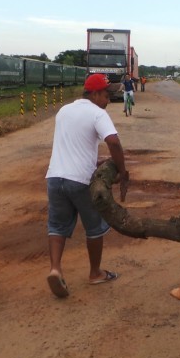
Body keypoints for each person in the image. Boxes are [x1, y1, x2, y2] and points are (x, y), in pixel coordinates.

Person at [44, 73, 130, 298]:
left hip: (55, 177)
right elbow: (113, 141)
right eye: (105, 95)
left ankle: (55, 269)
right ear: (94, 94)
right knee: (95, 227)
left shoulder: (64, 111)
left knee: (57, 226)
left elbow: (74, 144)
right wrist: (122, 171)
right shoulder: (97, 113)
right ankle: (95, 273)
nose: (108, 100)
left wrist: (94, 160)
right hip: (81, 181)